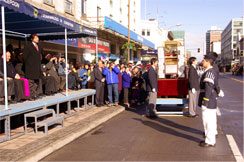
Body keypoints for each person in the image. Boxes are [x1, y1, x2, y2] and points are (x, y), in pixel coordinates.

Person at [199, 54, 219, 147]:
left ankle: (210, 141)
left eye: (204, 60)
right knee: (211, 121)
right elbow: (216, 85)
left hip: (209, 100)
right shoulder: (211, 71)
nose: (202, 62)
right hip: (211, 99)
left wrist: (205, 101)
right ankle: (210, 138)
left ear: (208, 61)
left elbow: (208, 87)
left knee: (208, 121)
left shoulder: (209, 72)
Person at [23, 34, 43, 99]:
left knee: (36, 82)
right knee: (30, 82)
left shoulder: (39, 46)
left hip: (37, 67)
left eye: (38, 37)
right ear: (32, 39)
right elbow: (24, 57)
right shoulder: (28, 46)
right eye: (36, 37)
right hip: (30, 67)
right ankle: (31, 96)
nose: (38, 39)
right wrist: (29, 63)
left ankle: (35, 94)